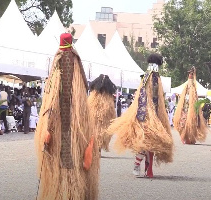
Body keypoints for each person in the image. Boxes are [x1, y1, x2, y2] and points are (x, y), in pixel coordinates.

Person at [34, 33, 99, 200]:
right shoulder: (76, 62)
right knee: (74, 162)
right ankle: (72, 193)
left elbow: (52, 95)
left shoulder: (59, 61)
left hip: (62, 123)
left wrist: (47, 125)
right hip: (76, 125)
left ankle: (66, 193)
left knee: (62, 162)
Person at [107, 53, 173, 178]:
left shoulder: (154, 77)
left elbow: (157, 99)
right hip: (146, 116)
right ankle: (137, 166)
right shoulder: (149, 77)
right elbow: (143, 97)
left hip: (154, 116)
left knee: (152, 143)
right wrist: (146, 115)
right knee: (145, 142)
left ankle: (148, 169)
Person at [173, 67, 208, 144]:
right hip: (185, 111)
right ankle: (185, 137)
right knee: (183, 124)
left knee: (192, 125)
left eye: (191, 73)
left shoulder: (193, 91)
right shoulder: (186, 92)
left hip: (190, 112)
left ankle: (190, 138)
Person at [88, 74, 116, 152]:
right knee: (99, 132)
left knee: (97, 132)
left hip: (98, 118)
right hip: (99, 118)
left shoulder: (94, 95)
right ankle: (97, 148)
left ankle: (97, 148)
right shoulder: (107, 97)